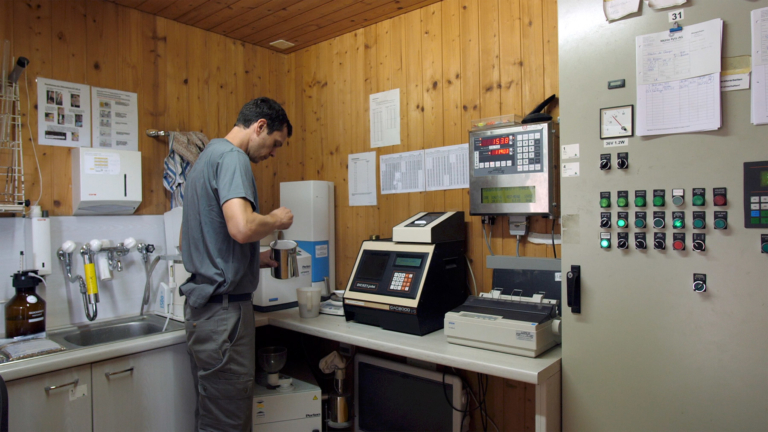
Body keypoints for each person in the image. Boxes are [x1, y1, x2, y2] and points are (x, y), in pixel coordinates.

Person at [179, 97, 294, 431]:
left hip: (204, 313)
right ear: (259, 126)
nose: (273, 153)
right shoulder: (233, 158)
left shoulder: (206, 158)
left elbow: (209, 237)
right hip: (224, 317)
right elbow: (242, 227)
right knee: (228, 423)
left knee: (211, 417)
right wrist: (275, 219)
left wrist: (253, 259)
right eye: (275, 143)